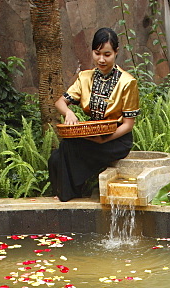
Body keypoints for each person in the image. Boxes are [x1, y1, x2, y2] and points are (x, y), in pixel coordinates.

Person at [48, 27, 140, 202]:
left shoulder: (128, 82)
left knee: (67, 146)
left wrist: (105, 139)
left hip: (116, 139)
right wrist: (68, 113)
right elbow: (60, 102)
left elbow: (129, 124)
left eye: (107, 54)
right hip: (93, 134)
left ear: (116, 52)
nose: (101, 59)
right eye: (97, 53)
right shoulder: (85, 77)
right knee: (55, 159)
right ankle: (67, 194)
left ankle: (66, 196)